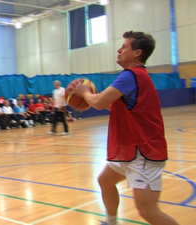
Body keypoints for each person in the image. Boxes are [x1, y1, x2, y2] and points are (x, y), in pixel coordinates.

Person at [74, 31, 178, 225]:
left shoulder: (131, 75)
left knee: (148, 211)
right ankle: (111, 221)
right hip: (132, 149)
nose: (119, 50)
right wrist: (95, 97)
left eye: (124, 47)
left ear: (137, 53)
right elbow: (115, 107)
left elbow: (97, 103)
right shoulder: (136, 76)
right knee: (105, 181)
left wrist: (85, 93)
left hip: (144, 152)